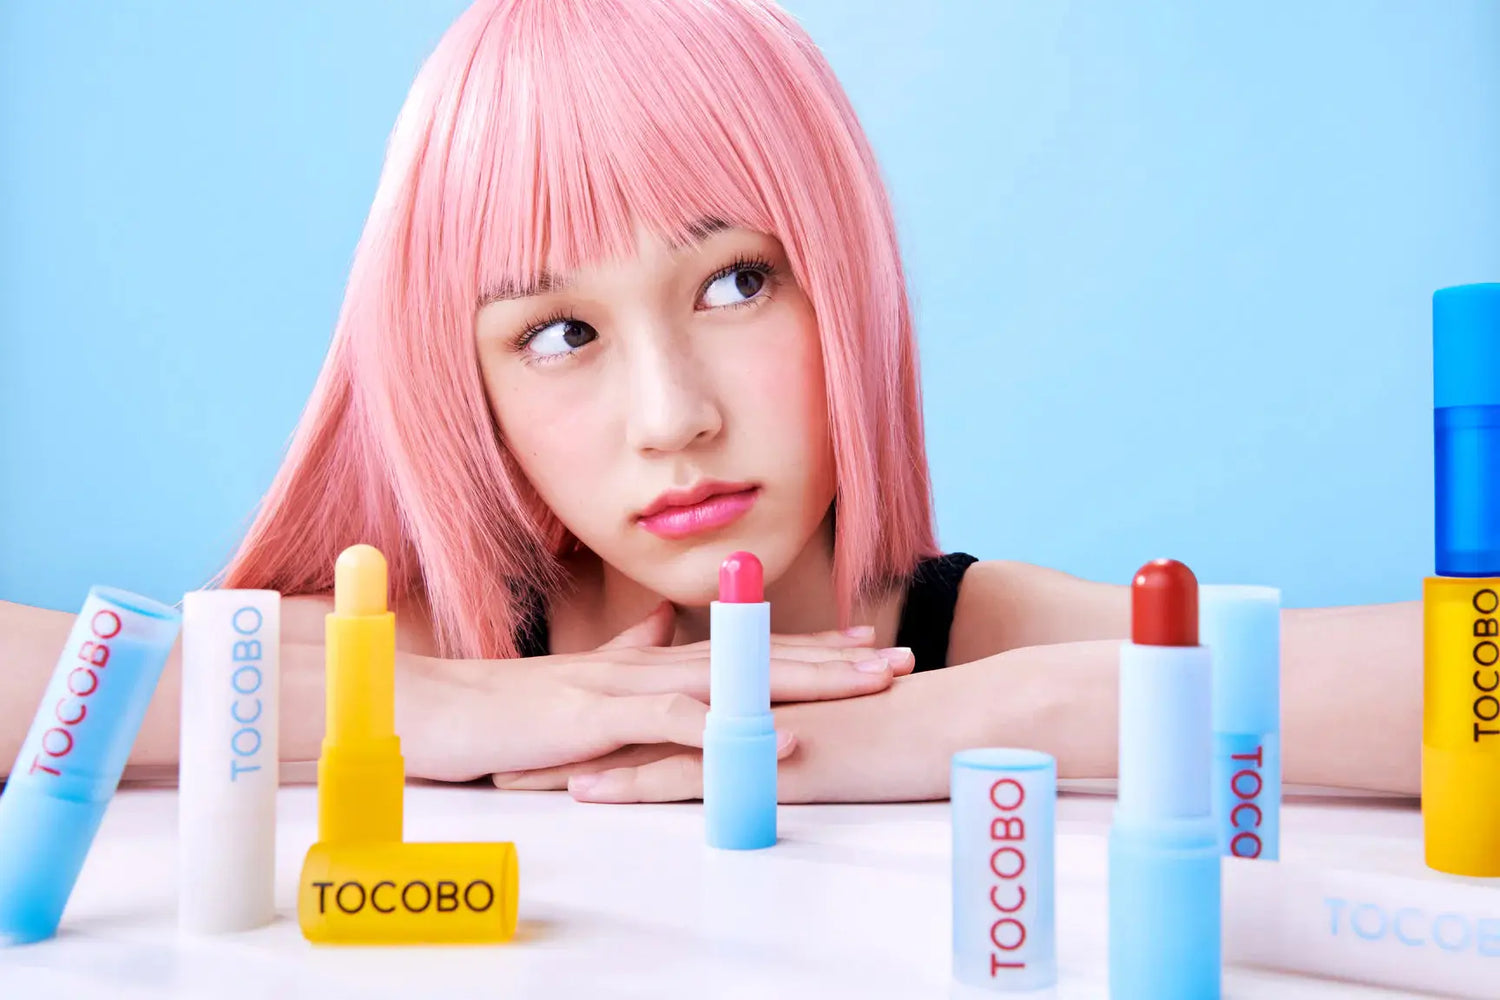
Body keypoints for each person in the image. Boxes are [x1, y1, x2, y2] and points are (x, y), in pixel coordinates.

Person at [0, 0, 1421, 803]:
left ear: (843, 286)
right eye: (557, 332)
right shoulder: (409, 648)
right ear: (466, 386)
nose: (672, 416)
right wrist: (416, 712)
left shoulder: (964, 638)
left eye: (736, 285)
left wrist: (1021, 711)